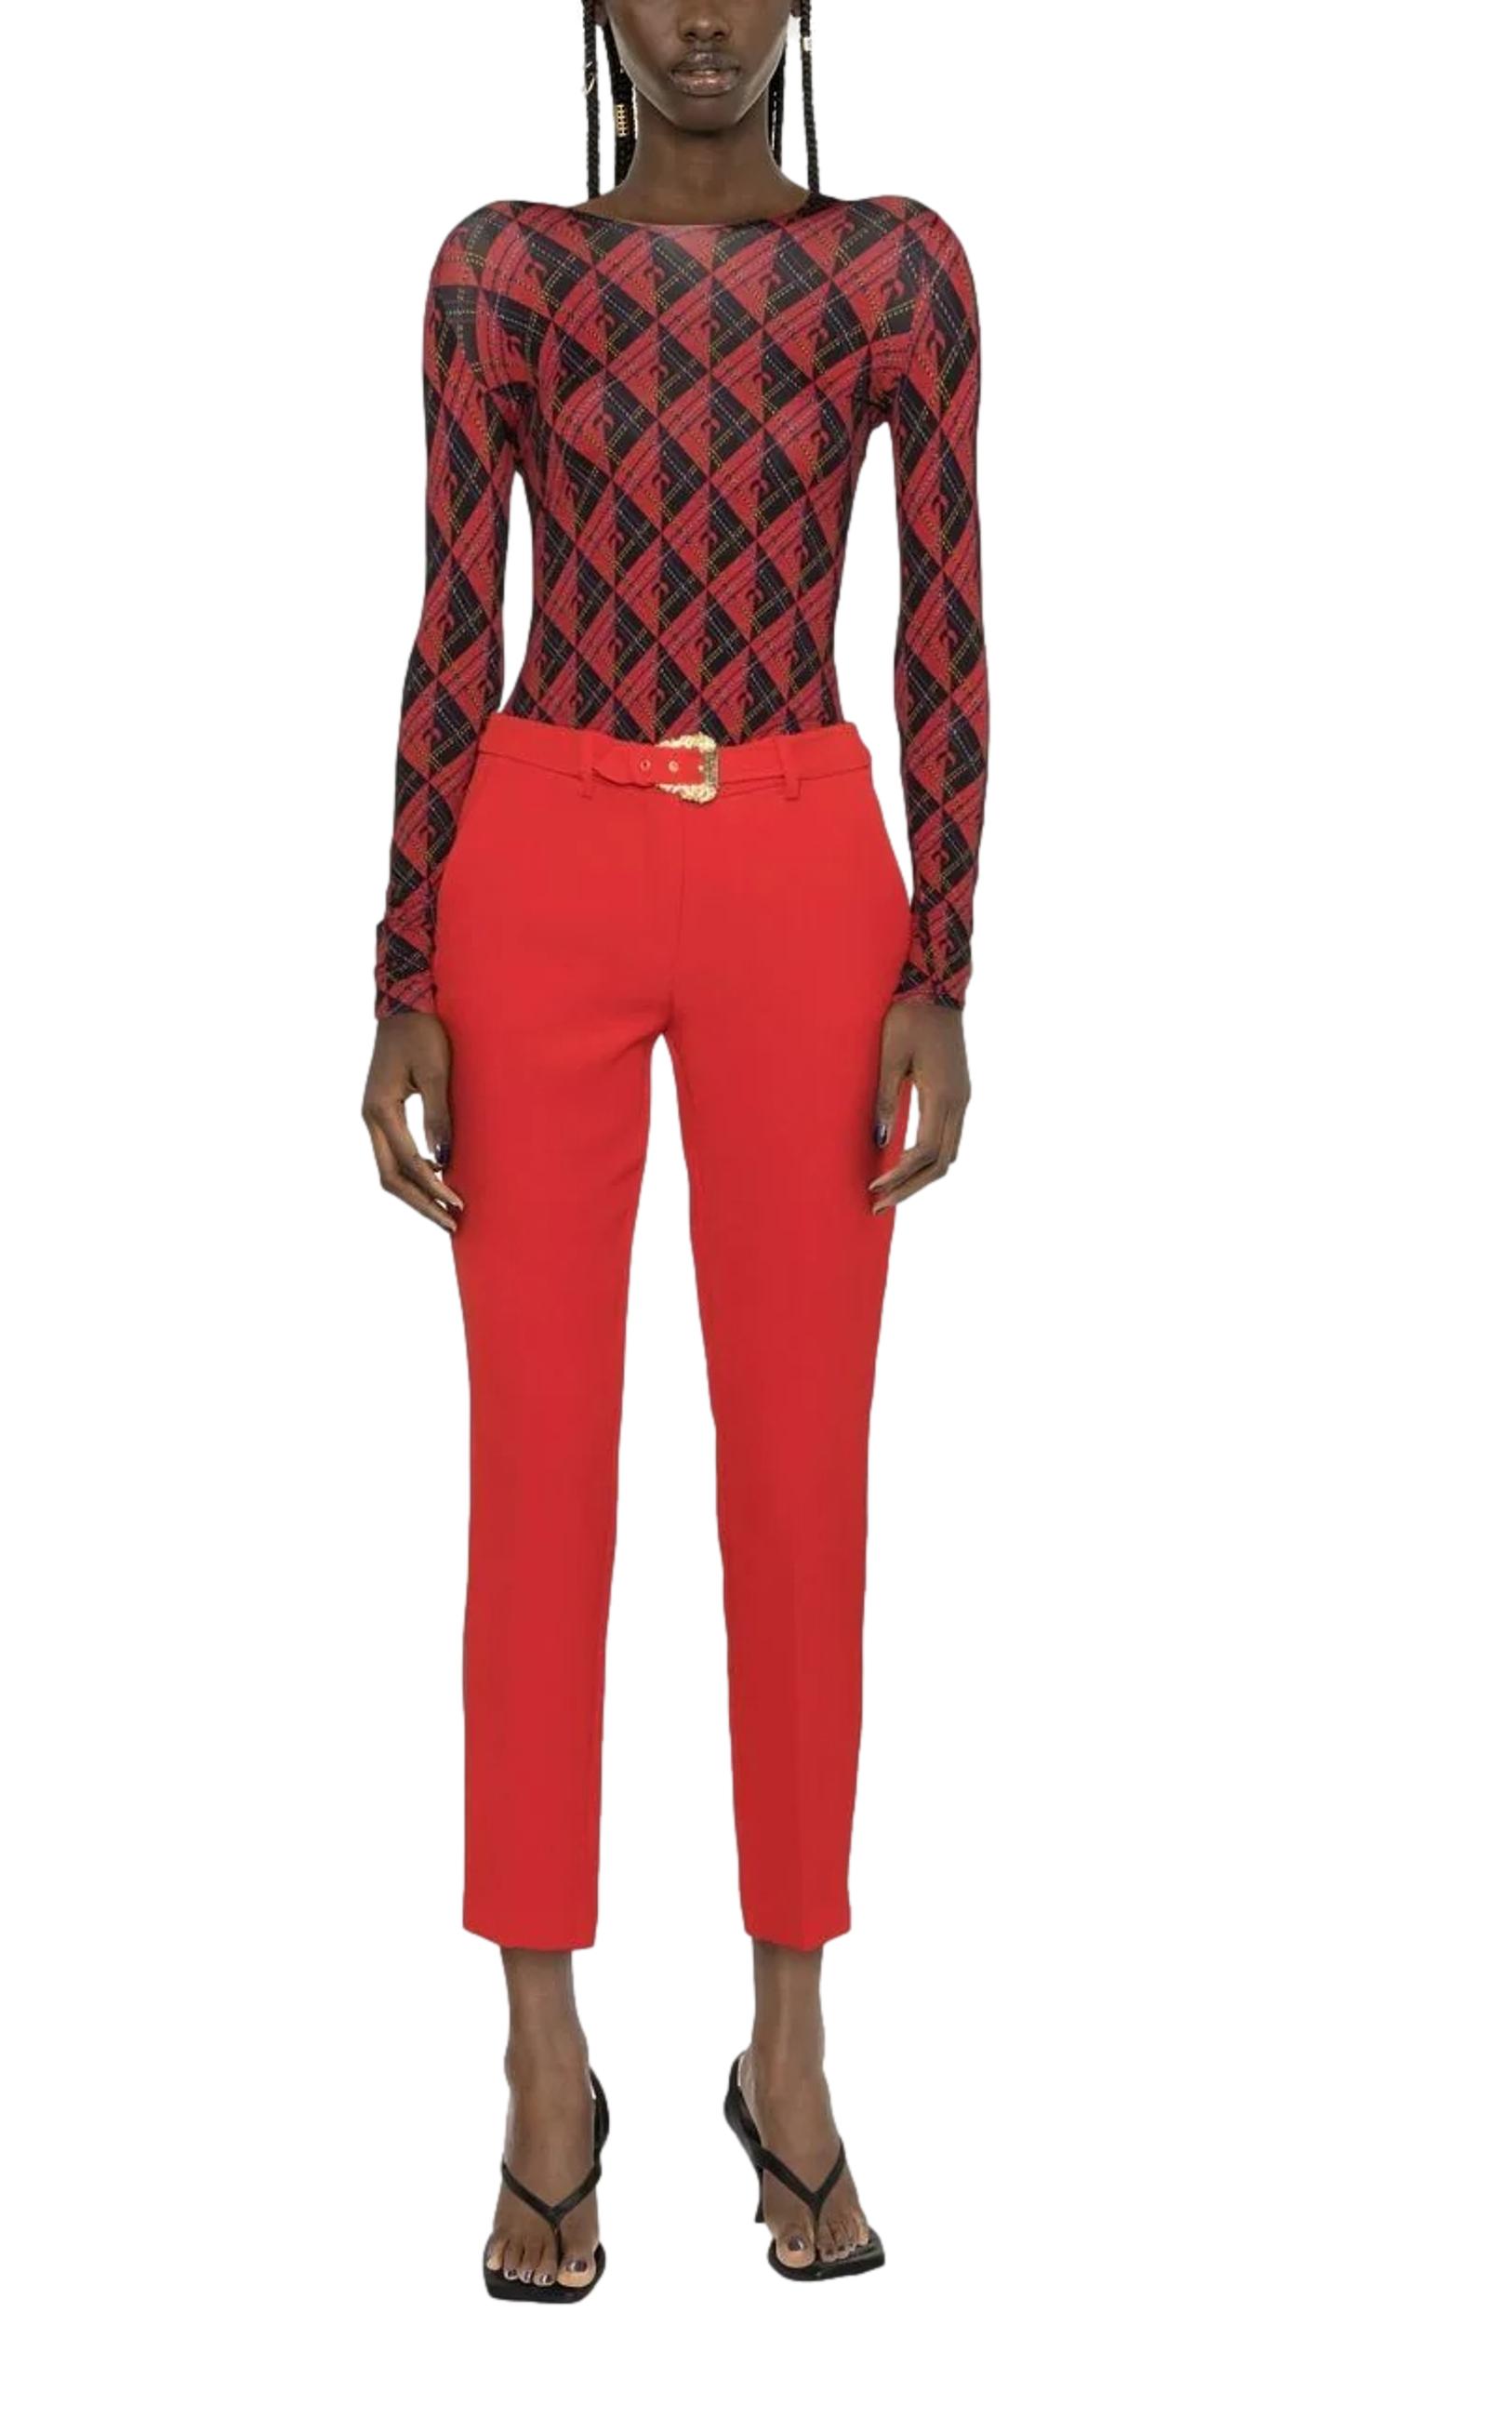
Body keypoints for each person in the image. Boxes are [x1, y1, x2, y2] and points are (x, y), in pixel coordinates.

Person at [362, 0, 988, 2298]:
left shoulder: (897, 269)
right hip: (536, 854)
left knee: (801, 1475)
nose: (704, 19)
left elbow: (945, 615)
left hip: (811, 864)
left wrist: (945, 956)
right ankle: (544, 2063)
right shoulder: (502, 271)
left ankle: (789, 2046)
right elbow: (456, 611)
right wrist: (400, 963)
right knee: (538, 1469)